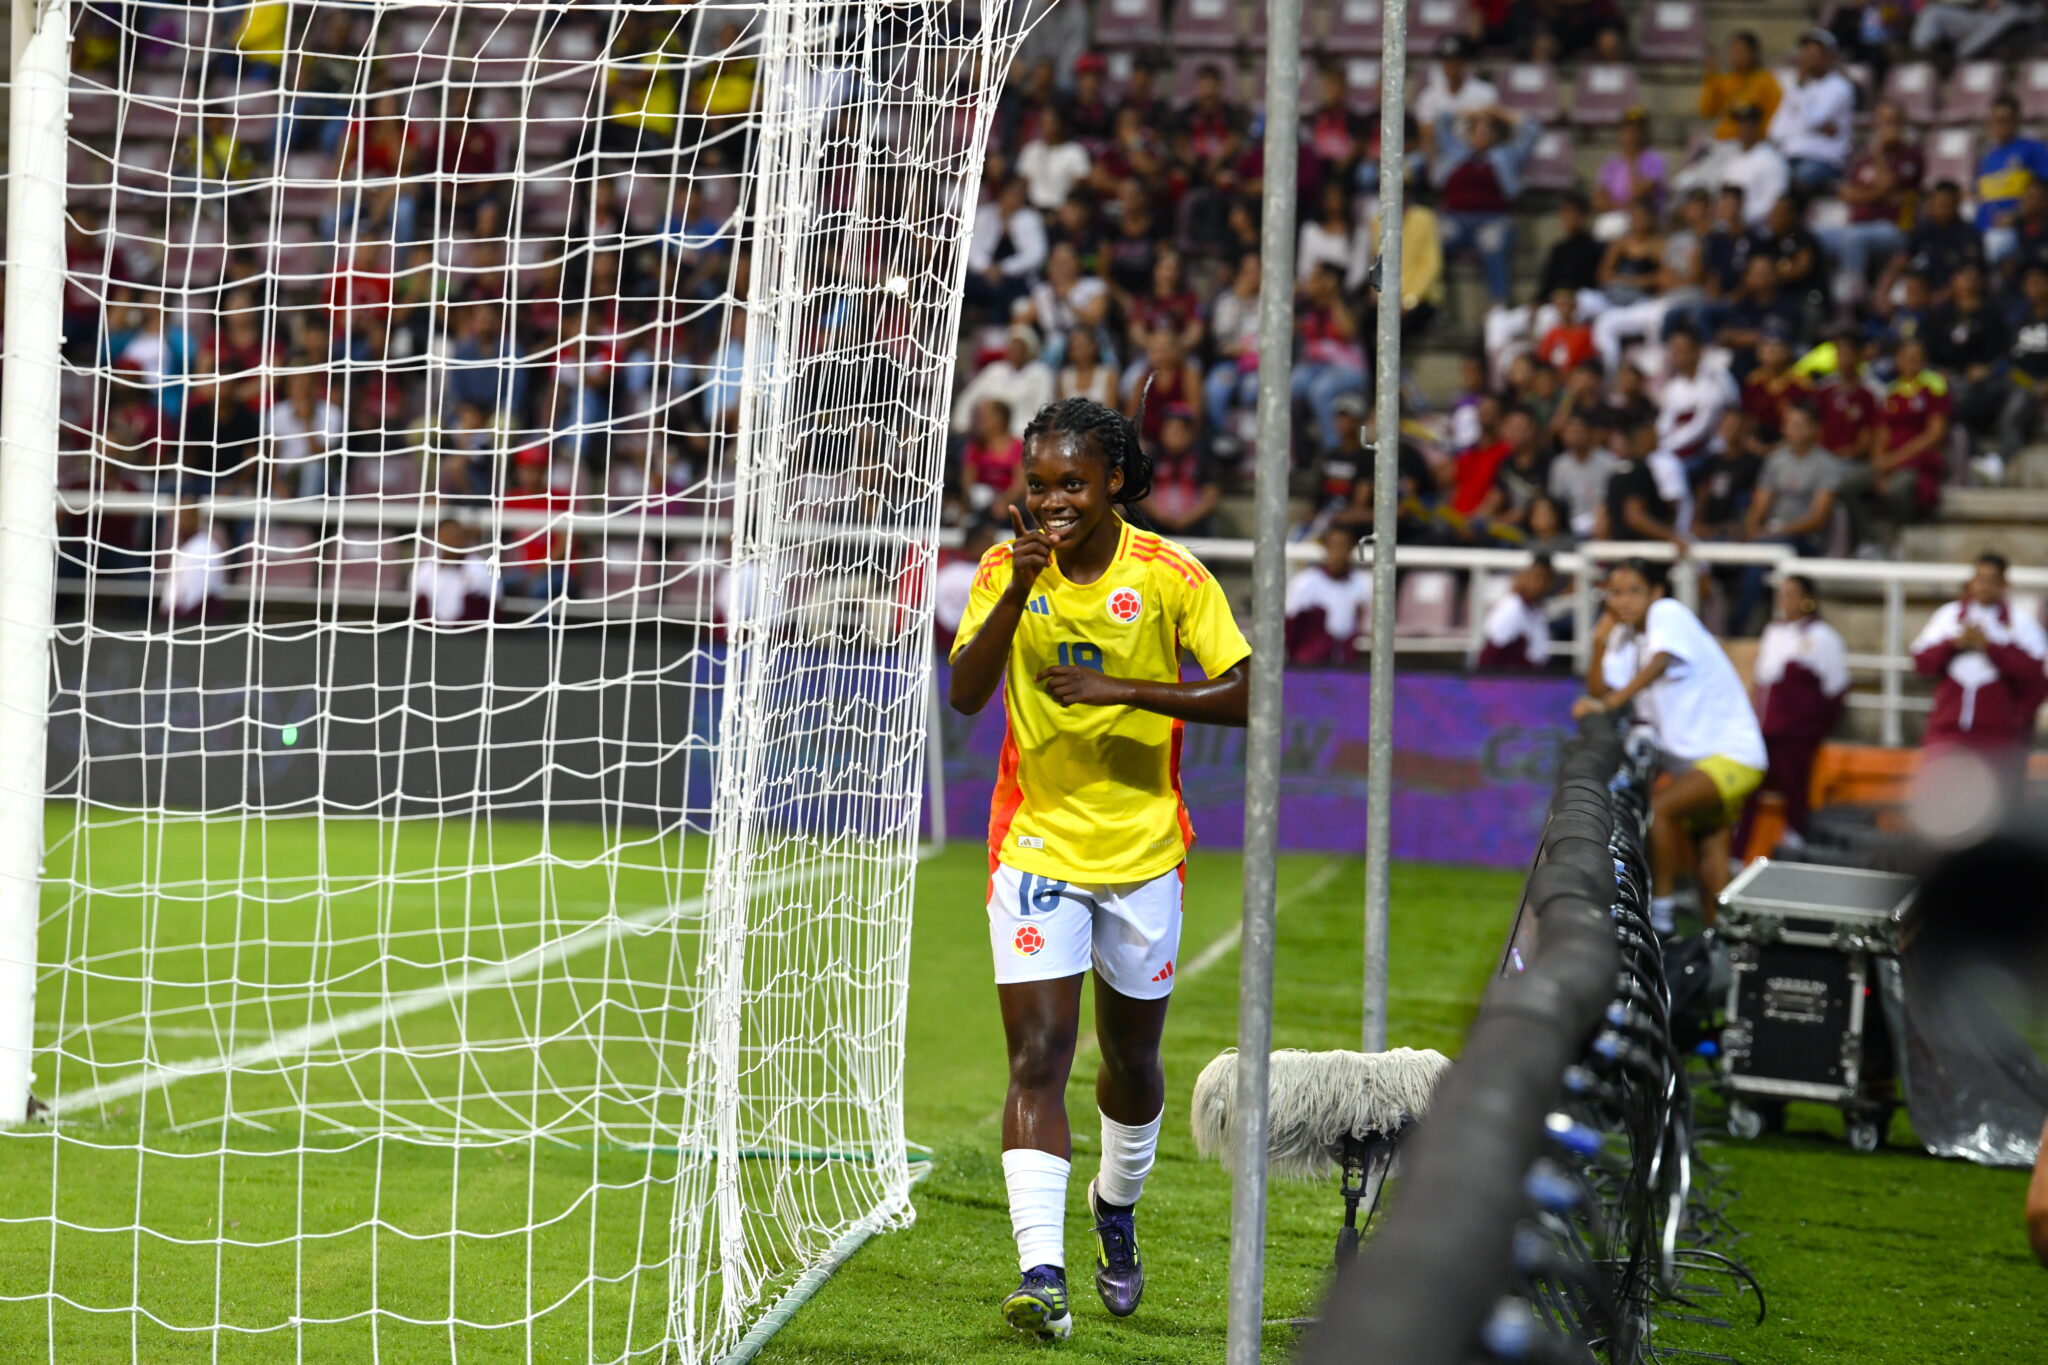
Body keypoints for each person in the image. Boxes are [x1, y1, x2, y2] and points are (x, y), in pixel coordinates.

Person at [947, 396, 1251, 1341]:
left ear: (1113, 480)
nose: (1051, 502)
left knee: (1130, 1059)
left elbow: (1250, 690)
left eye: (1070, 484)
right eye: (1036, 486)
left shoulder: (1169, 573)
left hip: (1145, 850)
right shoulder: (1007, 567)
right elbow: (963, 694)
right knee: (1038, 1055)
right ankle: (1042, 1272)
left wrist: (1126, 689)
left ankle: (1115, 1207)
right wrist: (1014, 589)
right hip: (1036, 844)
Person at [1575, 559, 1768, 931]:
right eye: (1615, 592)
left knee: (1659, 811)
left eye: (1634, 590)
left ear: (1656, 593)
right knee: (1710, 863)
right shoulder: (1626, 636)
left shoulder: (1668, 613)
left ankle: (1659, 920)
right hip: (1697, 766)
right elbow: (1599, 691)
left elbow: (1656, 665)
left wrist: (1613, 703)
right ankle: (1723, 948)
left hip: (1732, 755)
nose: (1624, 600)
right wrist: (1599, 641)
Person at [1910, 551, 2048, 787]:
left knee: (1997, 805)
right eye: (1978, 579)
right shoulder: (1949, 617)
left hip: (1999, 734)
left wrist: (1991, 648)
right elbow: (1922, 663)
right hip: (1949, 728)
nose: (1983, 587)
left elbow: (2035, 676)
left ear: (2004, 584)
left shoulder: (2021, 624)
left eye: (1991, 580)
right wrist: (1952, 645)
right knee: (1941, 796)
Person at [1745, 574, 1849, 855]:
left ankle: (1795, 843)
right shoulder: (1773, 631)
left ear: (1808, 599)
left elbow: (1836, 686)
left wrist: (1811, 726)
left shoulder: (1822, 637)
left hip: (1797, 732)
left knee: (1795, 788)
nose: (1785, 601)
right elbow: (1763, 679)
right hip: (1765, 728)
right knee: (1748, 789)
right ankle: (1737, 851)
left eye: (1792, 594)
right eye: (1782, 594)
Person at [1840, 336, 1951, 549]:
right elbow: (1882, 434)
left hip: (1920, 459)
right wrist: (1880, 466)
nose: (1911, 362)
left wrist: (1894, 461)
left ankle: (1904, 537)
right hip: (1891, 460)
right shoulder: (1891, 390)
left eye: (1917, 358)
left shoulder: (1934, 385)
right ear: (1897, 360)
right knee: (1848, 485)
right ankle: (1868, 541)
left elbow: (1934, 435)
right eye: (1906, 357)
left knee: (1898, 488)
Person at [1429, 105, 1543, 307]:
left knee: (1492, 242)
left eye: (1487, 131)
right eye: (1477, 130)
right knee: (1433, 239)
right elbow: (1442, 121)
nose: (1482, 135)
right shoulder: (1455, 152)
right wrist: (1471, 112)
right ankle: (1434, 303)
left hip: (1492, 220)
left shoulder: (1504, 156)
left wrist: (1498, 113)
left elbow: (1532, 129)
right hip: (1456, 220)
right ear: (1470, 133)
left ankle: (1498, 304)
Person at [1821, 101, 1924, 305]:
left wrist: (1879, 155)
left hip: (1894, 229)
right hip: (1857, 226)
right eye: (1883, 122)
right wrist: (1877, 194)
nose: (1887, 127)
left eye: (1893, 122)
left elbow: (1885, 184)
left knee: (1853, 238)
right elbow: (1847, 193)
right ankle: (1820, 297)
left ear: (1902, 125)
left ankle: (1854, 301)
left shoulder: (1910, 156)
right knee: (1816, 237)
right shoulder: (1864, 160)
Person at [1769, 29, 1856, 194]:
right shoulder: (1795, 86)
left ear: (1829, 56)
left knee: (1795, 183)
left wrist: (1800, 89)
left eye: (1815, 53)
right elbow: (1776, 129)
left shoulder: (1839, 87)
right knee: (1766, 177)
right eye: (1806, 52)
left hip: (1824, 159)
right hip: (1790, 154)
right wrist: (1808, 127)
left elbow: (1811, 120)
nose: (1808, 58)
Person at [1285, 526, 1372, 666]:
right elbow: (1291, 629)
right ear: (1325, 547)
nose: (1338, 552)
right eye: (1333, 545)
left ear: (1351, 548)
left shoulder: (1363, 584)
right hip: (1310, 665)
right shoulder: (1305, 583)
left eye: (1343, 546)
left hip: (1349, 665)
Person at [1976, 96, 2048, 265]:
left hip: (2020, 230)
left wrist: (2018, 215)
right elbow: (1983, 200)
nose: (1999, 125)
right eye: (1994, 120)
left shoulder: (2032, 150)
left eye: (2004, 120)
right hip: (1988, 231)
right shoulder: (1988, 158)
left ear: (2017, 121)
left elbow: (2044, 192)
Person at [1473, 555, 1557, 671]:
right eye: (1535, 577)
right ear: (1524, 577)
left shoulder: (1538, 611)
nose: (1538, 584)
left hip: (1531, 681)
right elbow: (1488, 655)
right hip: (1506, 683)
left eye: (1544, 579)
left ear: (1549, 583)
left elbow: (1539, 657)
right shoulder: (1512, 607)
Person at [412, 518, 496, 625]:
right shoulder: (424, 570)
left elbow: (494, 605)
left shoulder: (480, 567)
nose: (451, 540)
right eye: (446, 535)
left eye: (456, 535)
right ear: (437, 537)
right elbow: (415, 605)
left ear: (464, 537)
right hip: (429, 634)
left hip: (471, 635)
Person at [158, 503, 229, 629]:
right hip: (183, 620)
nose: (178, 522)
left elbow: (195, 601)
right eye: (175, 517)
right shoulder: (186, 546)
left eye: (184, 517)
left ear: (196, 519)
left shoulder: (202, 549)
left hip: (196, 624)